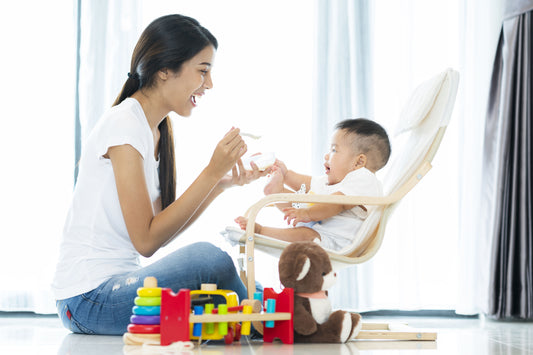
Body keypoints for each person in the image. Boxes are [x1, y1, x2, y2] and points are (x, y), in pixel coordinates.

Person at [52, 14, 270, 335]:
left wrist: (221, 184)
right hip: (88, 299)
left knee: (233, 287)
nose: (208, 84)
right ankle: (267, 319)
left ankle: (272, 315)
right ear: (165, 69)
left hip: (115, 289)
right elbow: (147, 240)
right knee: (212, 261)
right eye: (203, 71)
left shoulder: (152, 130)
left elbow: (160, 228)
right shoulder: (124, 123)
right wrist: (211, 172)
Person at [235, 118, 391, 252]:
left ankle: (262, 230)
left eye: (334, 150)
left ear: (359, 162)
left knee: (305, 235)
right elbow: (310, 184)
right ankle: (276, 192)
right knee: (301, 202)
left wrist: (307, 214)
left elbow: (340, 204)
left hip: (335, 241)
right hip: (319, 225)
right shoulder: (339, 180)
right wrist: (286, 174)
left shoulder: (365, 179)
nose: (327, 155)